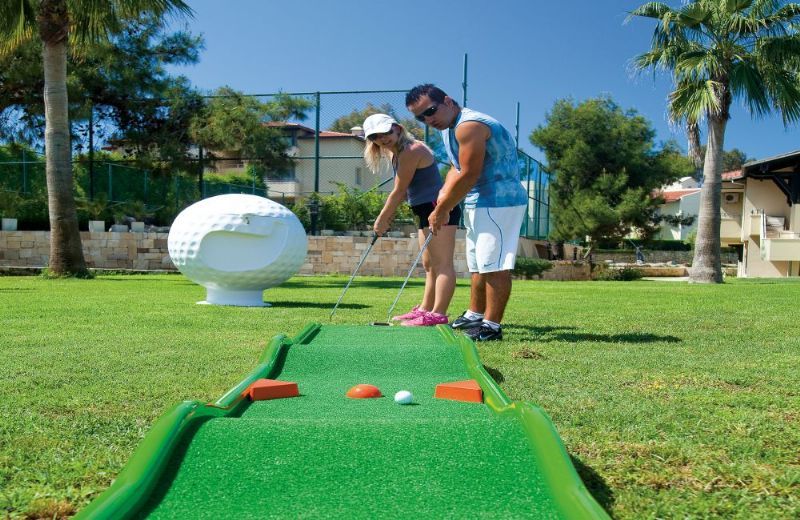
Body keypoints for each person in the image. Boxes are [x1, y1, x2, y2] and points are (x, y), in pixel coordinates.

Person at [406, 84, 527, 341]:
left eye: (430, 111)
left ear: (448, 101)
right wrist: (444, 193)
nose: (428, 120)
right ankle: (475, 314)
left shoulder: (469, 125)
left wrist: (443, 209)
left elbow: (470, 173)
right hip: (478, 201)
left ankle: (491, 327)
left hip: (499, 200)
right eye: (420, 117)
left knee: (494, 265)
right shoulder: (449, 129)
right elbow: (456, 167)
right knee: (479, 264)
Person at [362, 113, 460, 326]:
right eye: (375, 136)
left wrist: (382, 219)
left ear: (397, 128)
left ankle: (439, 314)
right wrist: (389, 214)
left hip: (437, 208)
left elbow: (399, 191)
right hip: (422, 209)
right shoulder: (396, 154)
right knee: (429, 264)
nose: (382, 138)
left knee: (442, 263)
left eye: (386, 132)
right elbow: (406, 192)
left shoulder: (411, 150)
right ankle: (425, 309)